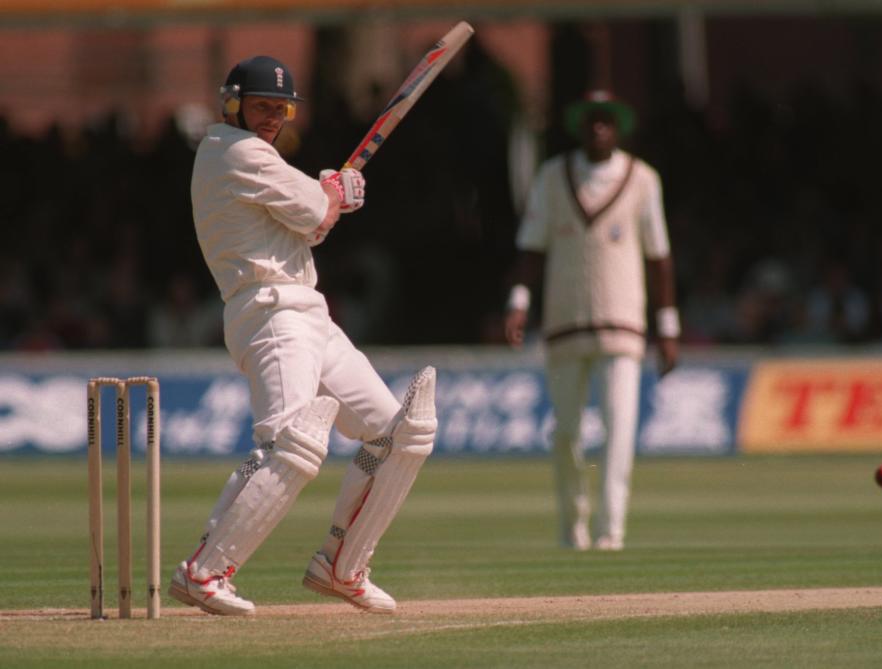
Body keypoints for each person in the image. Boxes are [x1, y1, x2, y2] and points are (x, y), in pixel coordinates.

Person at [168, 55, 437, 616]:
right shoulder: (232, 150)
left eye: (281, 109)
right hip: (269, 311)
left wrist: (331, 193)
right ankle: (204, 570)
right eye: (262, 106)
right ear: (233, 102)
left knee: (396, 436)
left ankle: (342, 564)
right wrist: (332, 190)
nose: (271, 118)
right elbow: (317, 208)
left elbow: (312, 222)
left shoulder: (253, 157)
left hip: (308, 312)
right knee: (289, 446)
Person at [504, 90, 679, 551]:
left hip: (623, 323)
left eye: (607, 120)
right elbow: (532, 247)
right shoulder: (552, 176)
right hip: (565, 322)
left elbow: (659, 257)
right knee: (566, 433)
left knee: (620, 429)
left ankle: (611, 531)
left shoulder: (643, 179)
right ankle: (572, 524)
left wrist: (669, 327)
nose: (598, 128)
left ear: (618, 128)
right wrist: (519, 301)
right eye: (591, 120)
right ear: (579, 127)